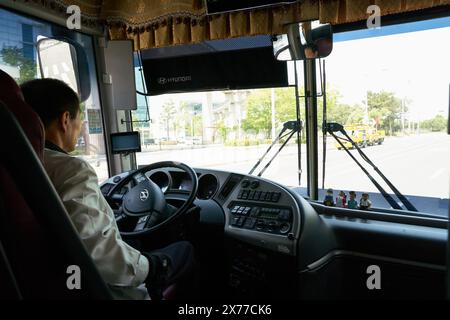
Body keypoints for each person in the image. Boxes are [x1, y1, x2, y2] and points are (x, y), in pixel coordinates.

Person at [20, 78, 194, 300]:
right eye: (79, 120)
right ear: (65, 120)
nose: (80, 127)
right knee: (186, 250)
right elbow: (98, 253)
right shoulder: (71, 169)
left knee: (136, 243)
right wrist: (150, 266)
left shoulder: (20, 166)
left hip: (52, 278)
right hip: (99, 287)